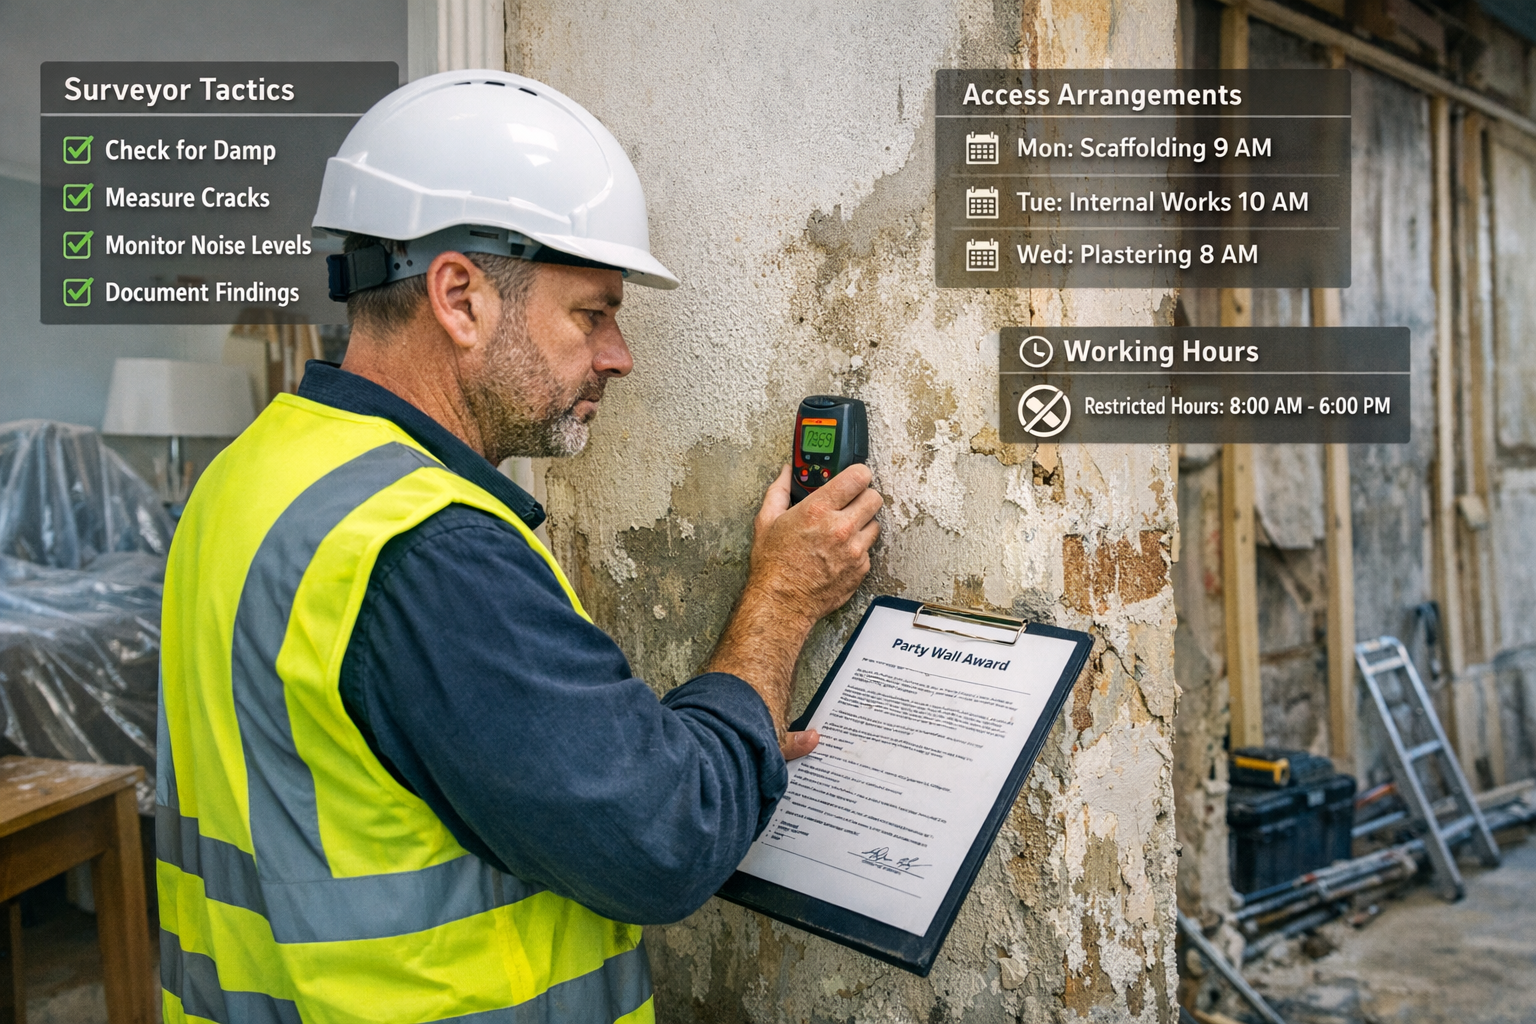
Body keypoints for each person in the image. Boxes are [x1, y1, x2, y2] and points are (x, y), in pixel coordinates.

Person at [154, 69, 881, 1024]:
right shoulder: (426, 548)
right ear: (459, 297)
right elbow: (667, 844)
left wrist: (661, 750)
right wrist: (781, 598)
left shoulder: (252, 474)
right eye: (593, 313)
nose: (619, 355)